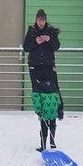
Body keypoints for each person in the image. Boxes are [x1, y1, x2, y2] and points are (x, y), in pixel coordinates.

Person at [22, 9, 63, 152]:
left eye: (43, 20)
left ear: (45, 20)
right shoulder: (32, 31)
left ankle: (52, 137)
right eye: (39, 20)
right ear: (36, 20)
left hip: (48, 67)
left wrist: (49, 40)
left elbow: (57, 46)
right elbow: (26, 47)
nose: (41, 22)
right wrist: (36, 41)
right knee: (38, 95)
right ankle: (42, 134)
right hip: (35, 67)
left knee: (52, 94)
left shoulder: (51, 31)